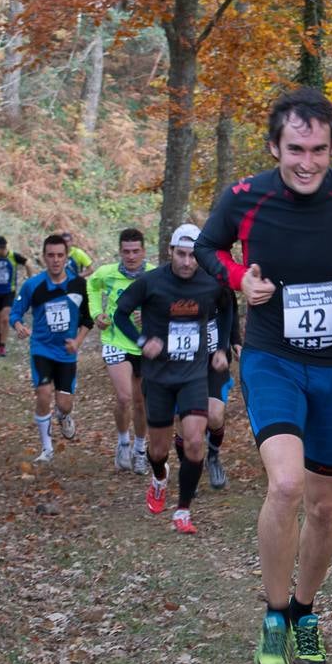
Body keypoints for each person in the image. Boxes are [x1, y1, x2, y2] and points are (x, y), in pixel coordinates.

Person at [194, 87, 332, 664]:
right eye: (296, 148)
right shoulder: (246, 196)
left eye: (319, 150)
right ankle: (272, 614)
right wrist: (241, 278)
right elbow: (209, 247)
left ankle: (304, 610)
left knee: (324, 505)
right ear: (274, 146)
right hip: (272, 358)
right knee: (287, 485)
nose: (307, 162)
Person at [111, 224, 233, 534]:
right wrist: (141, 342)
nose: (187, 262)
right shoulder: (151, 282)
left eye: (193, 256)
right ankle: (159, 478)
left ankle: (183, 511)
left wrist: (221, 347)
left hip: (193, 376)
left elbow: (227, 306)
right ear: (170, 252)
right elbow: (120, 313)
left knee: (193, 441)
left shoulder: (210, 282)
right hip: (160, 377)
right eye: (181, 254)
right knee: (158, 450)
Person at [9, 234, 93, 465]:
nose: (55, 260)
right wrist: (19, 326)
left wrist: (78, 341)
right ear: (44, 257)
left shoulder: (78, 284)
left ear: (67, 257)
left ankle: (63, 415)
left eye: (60, 255)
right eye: (51, 255)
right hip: (42, 349)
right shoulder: (32, 286)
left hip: (67, 352)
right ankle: (47, 449)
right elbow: (15, 313)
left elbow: (88, 319)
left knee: (65, 404)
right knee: (43, 393)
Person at [88, 228, 157, 475]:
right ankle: (123, 442)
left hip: (143, 343)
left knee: (141, 402)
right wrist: (97, 314)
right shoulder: (107, 273)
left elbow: (166, 303)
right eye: (126, 251)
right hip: (115, 340)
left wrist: (150, 313)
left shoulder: (154, 274)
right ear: (119, 251)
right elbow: (91, 286)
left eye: (135, 251)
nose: (130, 256)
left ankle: (140, 450)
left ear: (144, 252)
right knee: (125, 397)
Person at [202, 291, 241, 490]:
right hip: (184, 363)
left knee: (215, 416)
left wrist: (236, 342)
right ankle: (188, 470)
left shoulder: (219, 281)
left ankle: (213, 456)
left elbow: (230, 311)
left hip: (216, 361)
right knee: (187, 421)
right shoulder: (174, 280)